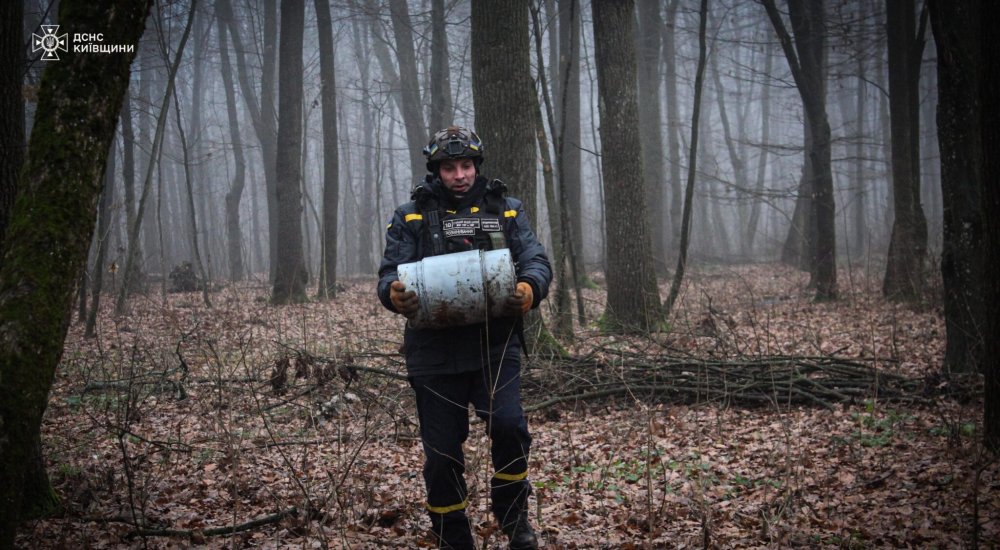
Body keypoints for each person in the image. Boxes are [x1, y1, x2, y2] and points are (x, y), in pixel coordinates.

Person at [377, 126, 552, 549]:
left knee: (510, 428)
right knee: (442, 455)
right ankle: (452, 533)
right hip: (433, 355)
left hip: (494, 348)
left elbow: (535, 259)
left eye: (466, 165)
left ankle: (514, 519)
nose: (460, 175)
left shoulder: (506, 209)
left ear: (477, 166)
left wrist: (529, 288)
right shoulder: (411, 215)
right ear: (436, 171)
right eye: (450, 167)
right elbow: (388, 276)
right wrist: (394, 295)